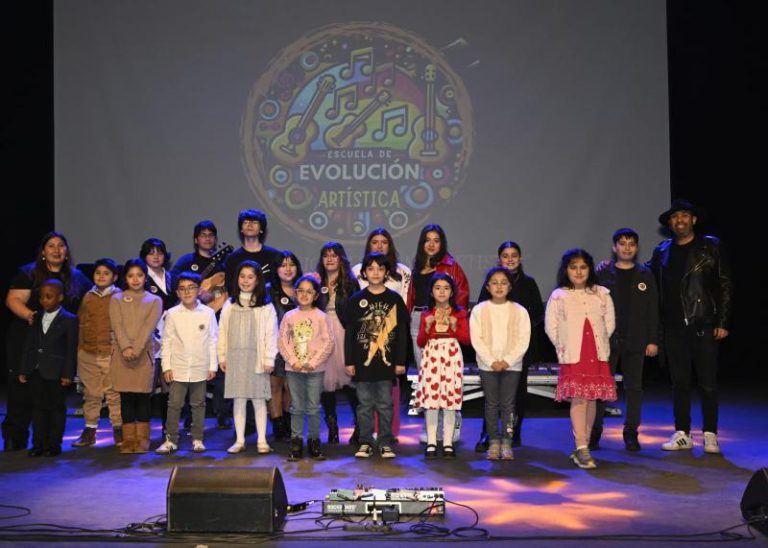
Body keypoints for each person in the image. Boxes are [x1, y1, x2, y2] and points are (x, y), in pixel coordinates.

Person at [650, 200, 732, 454]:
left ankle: (710, 434)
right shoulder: (662, 250)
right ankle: (682, 433)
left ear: (693, 220)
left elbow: (725, 284)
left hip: (702, 323)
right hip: (672, 327)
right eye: (675, 217)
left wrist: (722, 322)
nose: (680, 220)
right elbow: (649, 280)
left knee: (707, 383)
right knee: (679, 383)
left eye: (685, 215)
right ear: (670, 223)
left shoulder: (711, 246)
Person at [4, 231, 89, 451]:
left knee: (53, 398)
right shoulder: (29, 272)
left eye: (61, 245)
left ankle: (49, 442)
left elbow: (88, 304)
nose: (56, 250)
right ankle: (16, 438)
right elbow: (13, 300)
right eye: (51, 245)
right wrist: (31, 316)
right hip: (27, 340)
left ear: (67, 251)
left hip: (58, 347)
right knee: (21, 393)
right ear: (43, 251)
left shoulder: (77, 277)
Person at [545, 249, 616, 469]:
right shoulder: (559, 295)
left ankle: (582, 446)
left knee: (591, 398)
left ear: (590, 269)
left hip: (596, 352)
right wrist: (562, 346)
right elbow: (551, 326)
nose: (578, 272)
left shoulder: (601, 293)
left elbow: (609, 324)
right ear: (566, 270)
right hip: (573, 354)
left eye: (583, 267)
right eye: (573, 267)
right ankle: (582, 446)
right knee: (579, 398)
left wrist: (599, 342)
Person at [590, 229, 658, 451]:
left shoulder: (645, 274)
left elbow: (653, 309)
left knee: (634, 388)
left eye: (631, 244)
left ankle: (631, 432)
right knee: (601, 387)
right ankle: (594, 431)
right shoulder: (602, 273)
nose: (626, 248)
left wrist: (653, 340)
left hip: (636, 339)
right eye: (622, 243)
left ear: (636, 248)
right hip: (606, 340)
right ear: (614, 247)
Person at [475, 241, 544, 450]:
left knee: (516, 396)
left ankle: (513, 433)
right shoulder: (490, 284)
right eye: (505, 255)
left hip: (518, 351)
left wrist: (519, 335)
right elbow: (479, 314)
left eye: (514, 255)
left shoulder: (529, 283)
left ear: (520, 258)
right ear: (499, 259)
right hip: (492, 352)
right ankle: (488, 434)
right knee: (491, 399)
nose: (510, 259)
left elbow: (537, 314)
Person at [345, 253, 409, 459]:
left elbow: (402, 334)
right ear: (364, 272)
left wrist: (400, 361)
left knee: (385, 404)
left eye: (380, 269)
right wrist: (349, 361)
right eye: (371, 269)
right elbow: (350, 334)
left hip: (386, 365)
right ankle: (365, 441)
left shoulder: (394, 299)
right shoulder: (357, 300)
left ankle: (384, 441)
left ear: (386, 273)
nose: (375, 273)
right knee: (364, 405)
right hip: (362, 364)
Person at [171, 220, 231, 430]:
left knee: (222, 368)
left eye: (211, 235)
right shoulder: (186, 261)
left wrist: (214, 294)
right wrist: (196, 294)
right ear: (196, 239)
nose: (207, 238)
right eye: (203, 235)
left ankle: (222, 414)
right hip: (191, 322)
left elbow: (228, 289)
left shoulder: (223, 263)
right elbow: (174, 284)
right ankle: (191, 416)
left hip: (218, 319)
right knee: (193, 369)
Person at [470, 267, 531, 461]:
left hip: (512, 366)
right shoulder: (479, 310)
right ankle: (494, 441)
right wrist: (491, 361)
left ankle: (507, 441)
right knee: (491, 404)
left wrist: (507, 361)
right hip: (487, 365)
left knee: (508, 406)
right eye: (494, 283)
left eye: (503, 283)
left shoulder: (520, 311)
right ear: (487, 287)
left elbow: (523, 340)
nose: (499, 286)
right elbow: (477, 339)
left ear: (510, 287)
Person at [218, 260, 278, 454]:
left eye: (250, 277)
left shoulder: (265, 306)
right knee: (239, 399)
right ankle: (240, 440)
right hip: (235, 358)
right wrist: (222, 356)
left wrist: (269, 359)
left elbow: (271, 334)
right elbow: (222, 332)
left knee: (259, 400)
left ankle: (262, 440)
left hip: (257, 359)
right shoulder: (229, 304)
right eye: (242, 276)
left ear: (257, 280)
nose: (245, 281)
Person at [155, 272, 218, 454]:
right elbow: (167, 341)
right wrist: (166, 367)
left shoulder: (208, 313)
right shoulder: (172, 314)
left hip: (200, 366)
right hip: (178, 367)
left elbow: (213, 340)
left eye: (191, 288)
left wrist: (212, 366)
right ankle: (171, 440)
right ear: (177, 293)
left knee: (198, 404)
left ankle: (197, 439)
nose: (187, 292)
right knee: (174, 404)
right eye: (182, 289)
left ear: (198, 290)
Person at [18, 279, 78, 457]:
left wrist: (68, 374)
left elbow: (70, 349)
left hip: (56, 372)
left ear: (60, 297)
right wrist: (24, 369)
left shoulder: (69, 320)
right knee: (38, 408)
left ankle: (53, 444)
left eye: (49, 296)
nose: (44, 300)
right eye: (42, 297)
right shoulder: (36, 317)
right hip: (36, 370)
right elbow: (29, 344)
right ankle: (38, 444)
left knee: (56, 409)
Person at [279, 275, 335, 461]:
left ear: (316, 295)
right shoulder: (289, 316)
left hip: (314, 370)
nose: (304, 295)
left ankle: (314, 440)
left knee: (313, 407)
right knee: (296, 406)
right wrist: (292, 360)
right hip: (293, 369)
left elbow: (329, 342)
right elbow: (282, 342)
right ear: (295, 293)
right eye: (300, 291)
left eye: (309, 291)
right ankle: (296, 441)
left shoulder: (322, 317)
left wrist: (314, 362)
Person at [110, 258, 163, 454]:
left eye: (139, 275)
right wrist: (125, 347)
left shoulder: (155, 300)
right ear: (125, 278)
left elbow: (148, 328)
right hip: (121, 355)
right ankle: (128, 439)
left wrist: (136, 349)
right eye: (131, 275)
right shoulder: (116, 299)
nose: (135, 279)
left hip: (143, 355)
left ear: (145, 277)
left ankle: (142, 439)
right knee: (125, 398)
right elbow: (117, 325)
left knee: (142, 398)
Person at [415, 273, 470, 459]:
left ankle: (447, 443)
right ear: (431, 292)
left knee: (450, 402)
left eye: (446, 288)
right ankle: (431, 442)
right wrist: (427, 327)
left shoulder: (459, 313)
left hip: (451, 356)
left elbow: (466, 339)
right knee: (431, 402)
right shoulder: (426, 313)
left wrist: (455, 327)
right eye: (437, 288)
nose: (441, 292)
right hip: (432, 356)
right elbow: (421, 341)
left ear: (452, 292)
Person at [72, 258, 123, 448]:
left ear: (114, 277)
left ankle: (118, 429)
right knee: (91, 393)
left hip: (110, 352)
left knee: (113, 393)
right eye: (98, 273)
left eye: (106, 273)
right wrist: (80, 349)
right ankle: (90, 430)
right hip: (88, 352)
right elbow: (81, 322)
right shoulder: (88, 296)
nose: (101, 276)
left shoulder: (119, 296)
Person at [314, 242, 360, 444]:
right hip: (321, 335)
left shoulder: (350, 283)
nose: (330, 259)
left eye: (334, 255)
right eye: (326, 255)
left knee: (350, 381)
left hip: (344, 333)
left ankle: (359, 424)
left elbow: (356, 313)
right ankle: (332, 426)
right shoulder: (316, 281)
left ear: (341, 259)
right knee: (326, 385)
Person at [407, 224, 469, 369]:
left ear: (442, 244)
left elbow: (462, 294)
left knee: (442, 367)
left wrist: (452, 316)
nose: (431, 244)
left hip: (441, 317)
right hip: (417, 318)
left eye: (436, 241)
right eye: (427, 240)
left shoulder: (451, 266)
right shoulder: (417, 266)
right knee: (423, 368)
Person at [269, 251, 302, 442]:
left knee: (292, 387)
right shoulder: (268, 291)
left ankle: (289, 422)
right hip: (274, 346)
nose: (288, 269)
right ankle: (278, 425)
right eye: (283, 265)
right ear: (276, 269)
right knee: (275, 385)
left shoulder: (304, 289)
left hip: (298, 347)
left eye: (291, 264)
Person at [224, 209, 282, 287]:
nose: (250, 225)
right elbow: (229, 287)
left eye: (254, 222)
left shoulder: (274, 256)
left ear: (261, 229)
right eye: (246, 222)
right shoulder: (232, 258)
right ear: (241, 229)